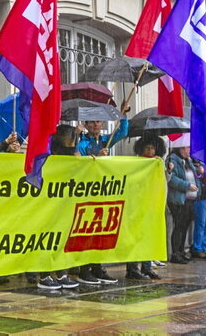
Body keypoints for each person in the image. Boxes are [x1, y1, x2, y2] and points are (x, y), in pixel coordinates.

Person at [27, 125, 80, 290]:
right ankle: (44, 275)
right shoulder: (44, 151)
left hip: (62, 204)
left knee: (60, 237)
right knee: (45, 238)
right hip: (44, 203)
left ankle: (61, 273)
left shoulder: (70, 152)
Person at [76, 119, 126, 285]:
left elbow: (122, 133)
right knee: (85, 231)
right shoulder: (81, 142)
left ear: (103, 124)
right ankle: (84, 269)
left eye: (98, 122)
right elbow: (79, 163)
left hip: (103, 190)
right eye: (92, 122)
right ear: (86, 124)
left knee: (99, 231)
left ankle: (97, 267)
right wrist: (97, 157)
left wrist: (123, 116)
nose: (95, 125)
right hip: (86, 191)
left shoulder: (106, 140)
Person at [126, 135, 165, 280]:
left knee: (148, 236)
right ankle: (132, 268)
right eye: (147, 148)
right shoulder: (136, 163)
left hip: (151, 205)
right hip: (136, 205)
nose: (150, 150)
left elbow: (163, 182)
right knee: (135, 237)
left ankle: (147, 267)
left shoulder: (157, 163)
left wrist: (167, 169)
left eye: (153, 148)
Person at [166, 145, 202, 264]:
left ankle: (181, 251)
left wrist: (199, 172)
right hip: (178, 199)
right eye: (188, 148)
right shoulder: (172, 160)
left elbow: (193, 176)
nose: (190, 151)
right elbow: (172, 179)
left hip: (190, 199)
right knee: (179, 226)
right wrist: (187, 186)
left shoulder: (188, 161)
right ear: (181, 148)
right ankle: (175, 253)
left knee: (185, 226)